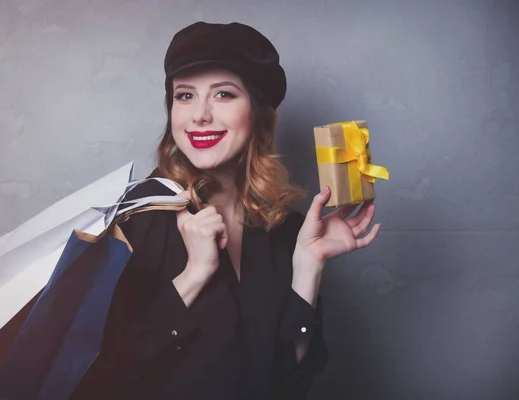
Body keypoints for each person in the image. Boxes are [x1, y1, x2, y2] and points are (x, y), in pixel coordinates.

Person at [70, 21, 380, 400]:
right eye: (185, 96)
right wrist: (194, 275)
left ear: (258, 114)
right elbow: (91, 380)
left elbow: (286, 380)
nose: (199, 114)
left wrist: (308, 264)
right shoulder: (134, 222)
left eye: (223, 95)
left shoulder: (285, 229)